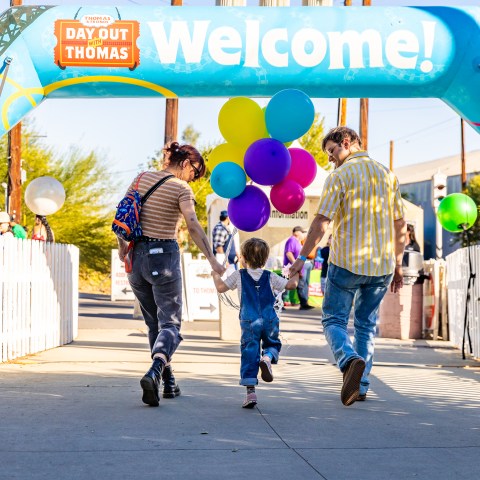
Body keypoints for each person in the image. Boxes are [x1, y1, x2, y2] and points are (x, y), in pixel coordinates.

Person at [290, 126, 406, 407]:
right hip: (381, 266)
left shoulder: (339, 176)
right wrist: (399, 265)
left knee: (333, 320)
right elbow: (400, 224)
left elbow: (321, 222)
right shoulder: (388, 175)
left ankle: (348, 359)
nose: (330, 159)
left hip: (346, 263)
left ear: (346, 142)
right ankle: (362, 385)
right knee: (366, 324)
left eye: (332, 151)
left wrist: (302, 258)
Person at [116, 141, 225, 407]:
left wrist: (123, 250)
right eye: (195, 172)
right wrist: (212, 259)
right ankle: (155, 372)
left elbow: (121, 217)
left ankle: (168, 381)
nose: (194, 178)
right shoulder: (181, 188)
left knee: (154, 323)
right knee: (171, 324)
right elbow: (192, 223)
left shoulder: (141, 178)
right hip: (163, 256)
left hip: (136, 258)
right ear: (186, 163)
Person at [211, 237, 299, 408]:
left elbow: (221, 288)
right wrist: (295, 272)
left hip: (249, 320)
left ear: (243, 258)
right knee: (273, 344)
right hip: (270, 318)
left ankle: (250, 393)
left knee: (249, 352)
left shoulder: (239, 275)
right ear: (265, 259)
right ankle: (267, 358)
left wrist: (215, 275)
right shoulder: (270, 276)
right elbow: (291, 285)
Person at [283, 226, 314, 310]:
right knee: (286, 285)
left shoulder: (298, 242)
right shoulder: (292, 240)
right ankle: (279, 303)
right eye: (302, 232)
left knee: (301, 285)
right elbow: (289, 253)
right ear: (296, 232)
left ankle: (304, 303)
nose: (303, 234)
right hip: (291, 267)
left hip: (297, 268)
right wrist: (295, 264)